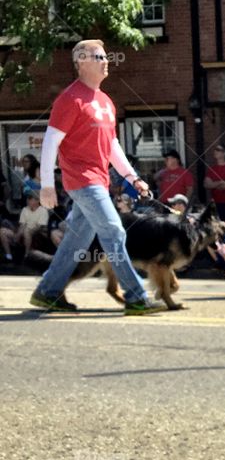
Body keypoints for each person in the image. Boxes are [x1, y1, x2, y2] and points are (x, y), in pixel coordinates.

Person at [30, 39, 165, 314]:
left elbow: (112, 146)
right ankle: (136, 295)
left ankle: (47, 291)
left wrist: (132, 177)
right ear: (81, 62)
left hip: (99, 180)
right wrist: (46, 186)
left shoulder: (105, 101)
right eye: (99, 57)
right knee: (114, 230)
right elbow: (50, 143)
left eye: (105, 56)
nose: (107, 61)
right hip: (83, 181)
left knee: (76, 240)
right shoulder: (69, 99)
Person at [203, 145, 225, 219]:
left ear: (224, 153)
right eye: (215, 149)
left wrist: (213, 184)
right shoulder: (212, 169)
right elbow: (206, 184)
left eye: (218, 150)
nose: (215, 151)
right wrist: (220, 182)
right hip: (214, 203)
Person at [16, 191, 51, 258]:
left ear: (37, 201)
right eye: (28, 199)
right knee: (5, 231)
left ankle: (27, 253)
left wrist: (28, 231)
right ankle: (9, 255)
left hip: (38, 233)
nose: (28, 201)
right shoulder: (25, 209)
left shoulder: (43, 210)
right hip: (25, 231)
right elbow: (22, 224)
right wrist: (19, 232)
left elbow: (40, 226)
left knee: (26, 231)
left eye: (31, 199)